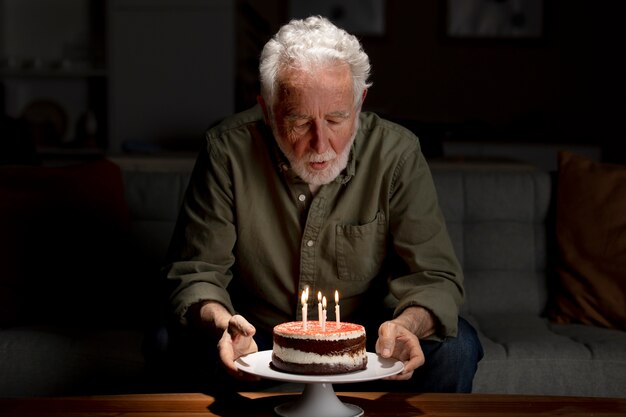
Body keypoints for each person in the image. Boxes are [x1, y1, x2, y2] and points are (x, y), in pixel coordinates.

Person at [156, 15, 483, 394]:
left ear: (359, 102)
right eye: (298, 121)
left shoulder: (398, 154)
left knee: (458, 349)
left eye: (336, 118)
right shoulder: (226, 151)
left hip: (369, 336)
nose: (321, 144)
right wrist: (224, 323)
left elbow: (435, 277)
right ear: (267, 109)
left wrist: (406, 326)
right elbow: (196, 272)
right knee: (167, 340)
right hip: (257, 332)